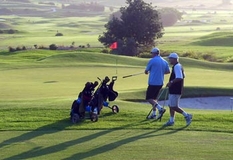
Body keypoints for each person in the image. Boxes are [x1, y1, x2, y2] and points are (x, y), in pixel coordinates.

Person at [165, 53, 192, 126]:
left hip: (176, 89)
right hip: (174, 89)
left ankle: (187, 115)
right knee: (171, 105)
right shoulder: (177, 66)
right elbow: (183, 76)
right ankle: (171, 120)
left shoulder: (177, 66)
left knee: (174, 106)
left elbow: (179, 77)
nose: (169, 60)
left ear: (174, 59)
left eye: (170, 58)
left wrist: (171, 82)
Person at [145, 48, 170, 120]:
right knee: (154, 99)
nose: (151, 54)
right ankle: (154, 114)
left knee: (149, 98)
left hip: (153, 82)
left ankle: (160, 109)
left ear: (154, 53)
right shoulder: (164, 61)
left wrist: (147, 72)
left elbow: (146, 71)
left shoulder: (152, 61)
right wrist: (160, 72)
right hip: (160, 83)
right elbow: (168, 71)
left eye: (152, 53)